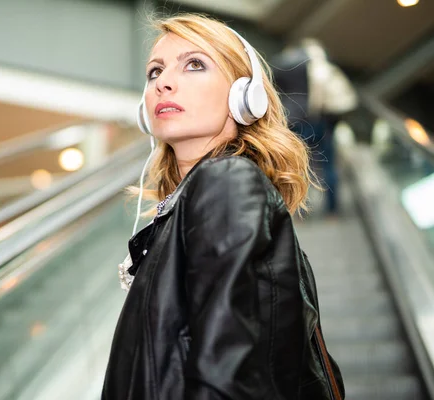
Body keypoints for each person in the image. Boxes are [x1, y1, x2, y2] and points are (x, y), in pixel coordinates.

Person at [102, 13, 345, 400]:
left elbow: (224, 376)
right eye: (154, 72)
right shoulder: (192, 202)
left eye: (194, 64)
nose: (163, 82)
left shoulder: (227, 182)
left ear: (245, 96)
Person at [272, 39, 358, 216]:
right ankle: (332, 210)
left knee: (297, 165)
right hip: (319, 118)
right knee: (328, 164)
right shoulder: (315, 64)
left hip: (293, 121)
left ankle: (299, 208)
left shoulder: (280, 64)